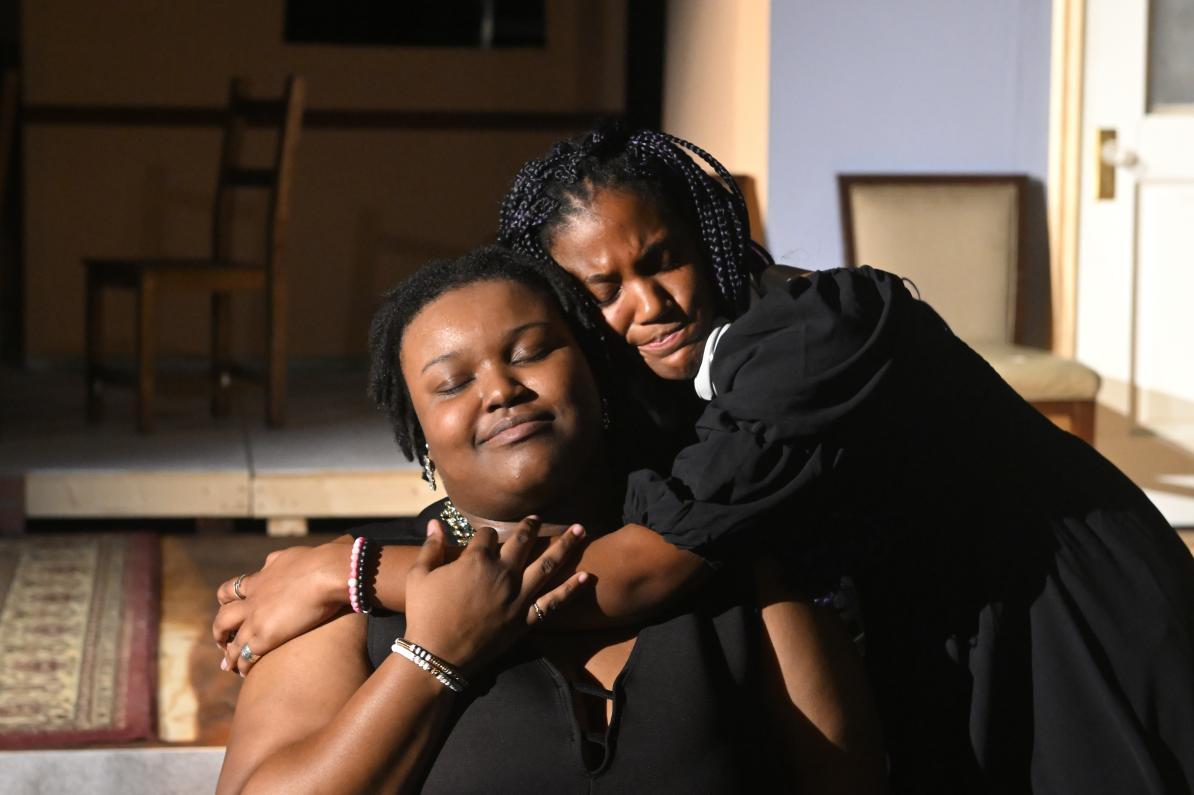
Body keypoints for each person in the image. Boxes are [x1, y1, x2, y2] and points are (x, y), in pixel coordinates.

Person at [494, 124, 1194, 794]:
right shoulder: (670, 385)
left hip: (1064, 609)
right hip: (946, 625)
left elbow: (644, 572)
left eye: (661, 258)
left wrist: (391, 572)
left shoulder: (815, 333)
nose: (649, 303)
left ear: (704, 235)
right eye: (605, 290)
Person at [214, 246, 884, 793]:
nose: (500, 390)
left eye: (531, 351)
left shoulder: (728, 558)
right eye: (452, 383)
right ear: (419, 437)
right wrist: (431, 659)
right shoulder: (339, 603)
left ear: (596, 375)